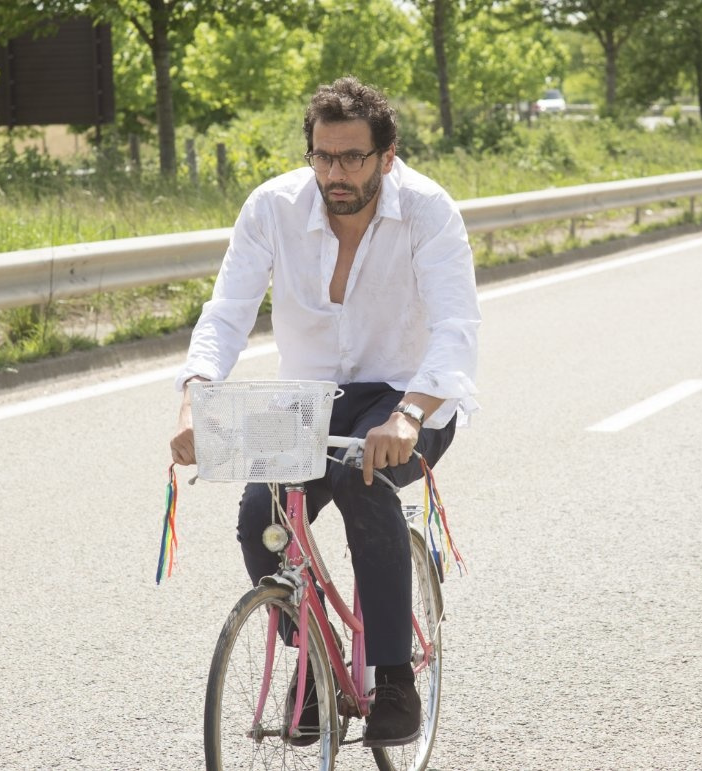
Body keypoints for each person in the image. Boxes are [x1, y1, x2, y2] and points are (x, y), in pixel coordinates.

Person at [169, 76, 480, 747]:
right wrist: (195, 394)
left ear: (387, 156)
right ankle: (313, 658)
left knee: (358, 476)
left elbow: (456, 327)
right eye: (323, 157)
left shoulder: (427, 210)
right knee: (260, 518)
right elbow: (226, 312)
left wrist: (409, 415)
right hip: (310, 400)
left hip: (408, 395)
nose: (336, 174)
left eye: (353, 158)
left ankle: (393, 678)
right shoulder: (272, 207)